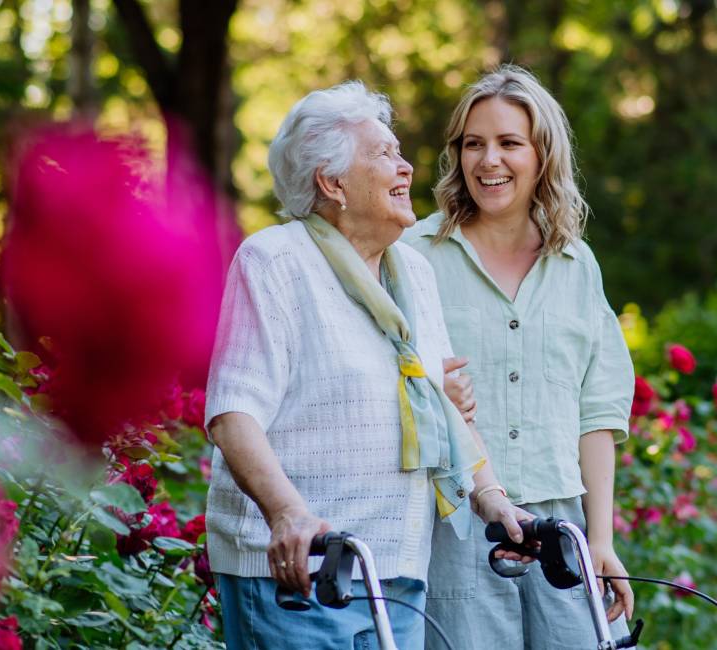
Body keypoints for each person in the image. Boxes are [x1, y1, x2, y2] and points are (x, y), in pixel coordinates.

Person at [204, 80, 530, 650]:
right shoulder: (277, 261)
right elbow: (233, 411)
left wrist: (492, 496)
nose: (406, 168)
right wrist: (287, 514)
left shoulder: (413, 273)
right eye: (384, 155)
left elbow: (439, 405)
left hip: (397, 569)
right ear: (332, 183)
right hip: (304, 571)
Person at [406, 65, 636, 649]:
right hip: (455, 530)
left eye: (509, 143)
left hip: (562, 531)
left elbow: (598, 411)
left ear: (542, 155)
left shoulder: (576, 264)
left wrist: (601, 540)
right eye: (473, 144)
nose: (489, 161)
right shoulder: (413, 257)